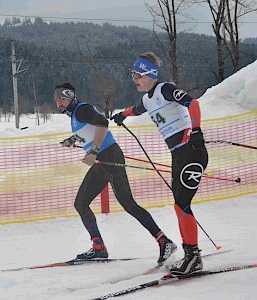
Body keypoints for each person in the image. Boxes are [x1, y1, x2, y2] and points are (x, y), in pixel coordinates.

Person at [54, 82, 177, 265]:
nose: (58, 104)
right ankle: (102, 247)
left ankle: (161, 242)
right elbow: (90, 130)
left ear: (69, 97)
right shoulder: (76, 115)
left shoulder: (82, 110)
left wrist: (93, 151)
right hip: (106, 158)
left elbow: (103, 123)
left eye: (60, 100)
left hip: (107, 157)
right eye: (57, 101)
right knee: (115, 203)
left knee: (88, 203)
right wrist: (72, 140)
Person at [111, 52, 209, 275]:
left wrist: (196, 130)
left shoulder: (165, 89)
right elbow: (138, 109)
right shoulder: (148, 98)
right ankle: (191, 255)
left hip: (191, 150)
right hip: (178, 155)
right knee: (180, 205)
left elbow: (192, 103)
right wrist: (122, 115)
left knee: (182, 204)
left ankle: (193, 257)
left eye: (137, 75)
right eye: (132, 75)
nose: (134, 79)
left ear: (149, 74)